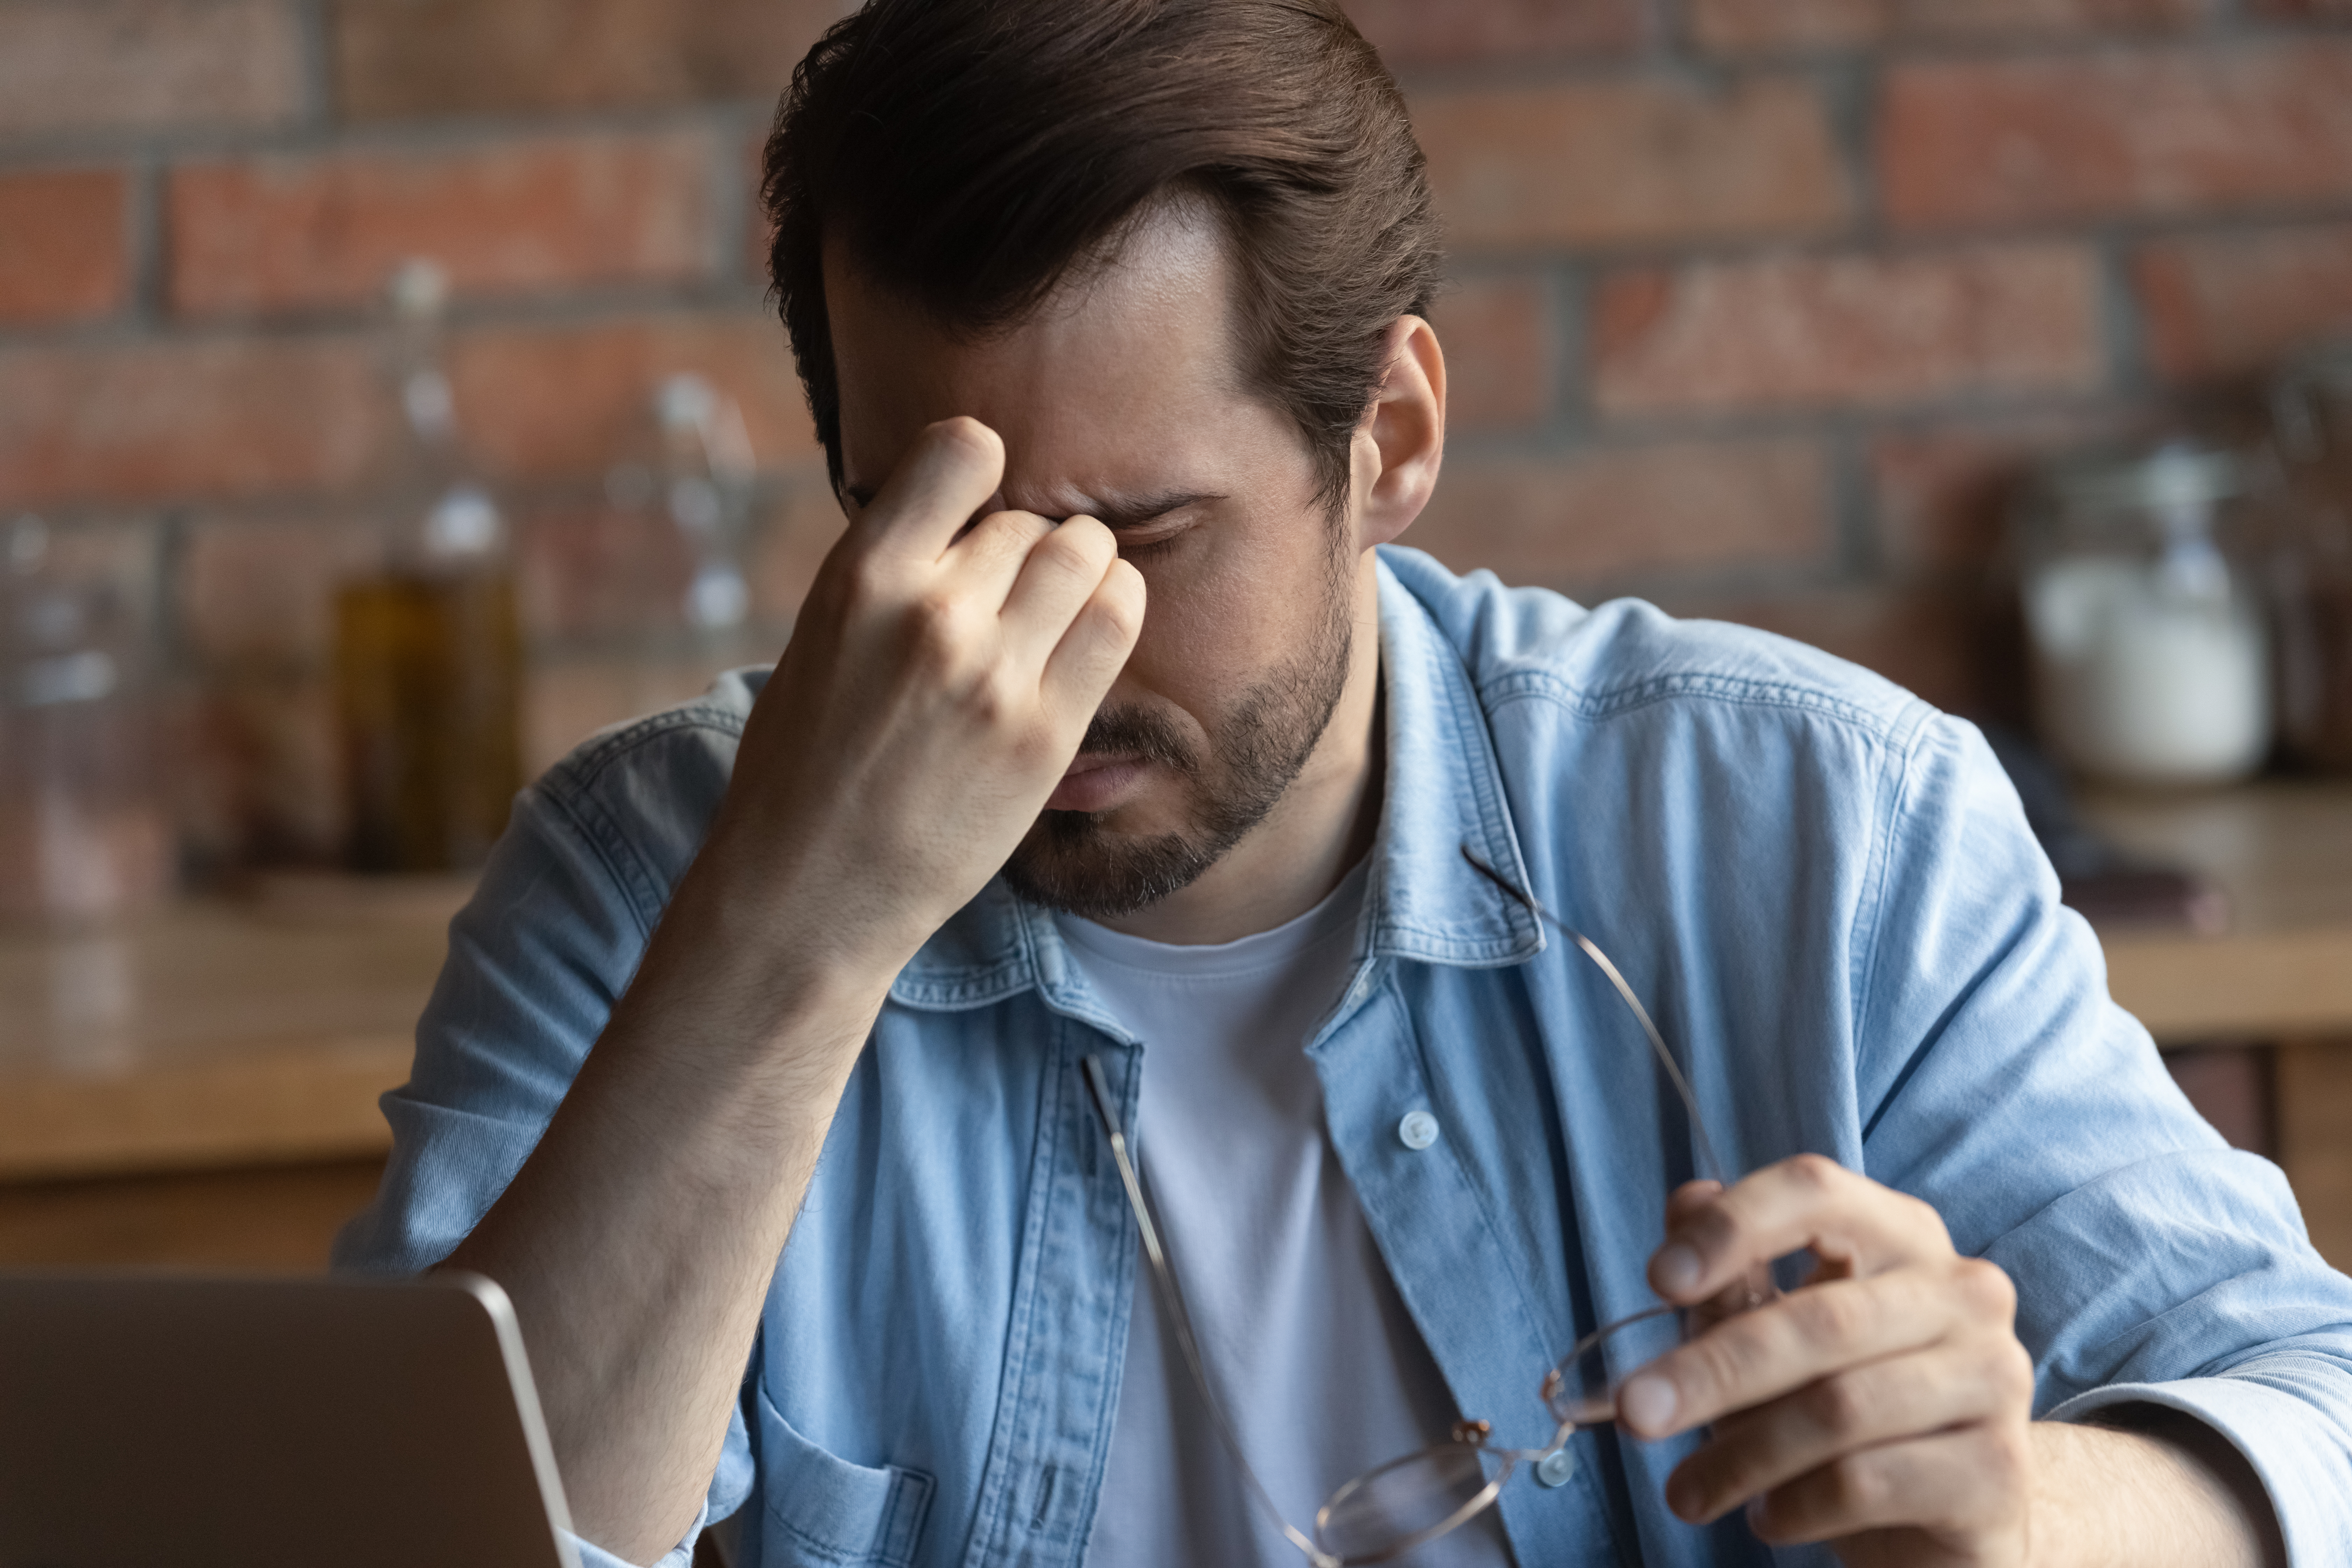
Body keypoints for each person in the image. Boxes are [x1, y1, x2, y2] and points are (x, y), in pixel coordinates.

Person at [335, 2, 2352, 1564]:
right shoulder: (639, 880)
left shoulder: (1815, 834)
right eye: (935, 533)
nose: (1049, 652)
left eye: (1142, 532)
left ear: (1386, 439)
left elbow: (2312, 1412)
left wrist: (2026, 1510)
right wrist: (795, 934)